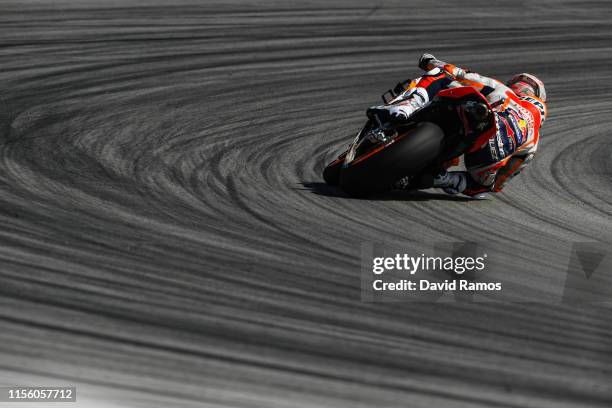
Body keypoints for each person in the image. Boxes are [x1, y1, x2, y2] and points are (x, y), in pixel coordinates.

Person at [367, 53, 547, 198]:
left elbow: (459, 73)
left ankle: (408, 105)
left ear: (518, 87)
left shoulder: (504, 91)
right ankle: (443, 179)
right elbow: (500, 183)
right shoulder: (534, 141)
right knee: (482, 189)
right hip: (486, 156)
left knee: (441, 75)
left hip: (486, 119)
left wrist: (430, 61)